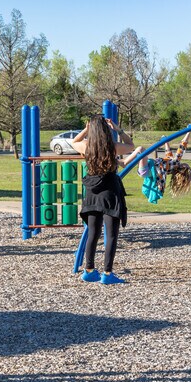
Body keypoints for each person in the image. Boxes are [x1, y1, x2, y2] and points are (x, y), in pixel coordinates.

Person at [72, 115, 135, 284]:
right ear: (107, 130)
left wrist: (86, 129)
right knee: (111, 234)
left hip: (92, 192)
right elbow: (131, 146)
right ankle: (107, 274)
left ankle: (89, 270)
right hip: (110, 193)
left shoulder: (86, 147)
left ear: (91, 130)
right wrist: (118, 129)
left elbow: (73, 142)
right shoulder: (112, 147)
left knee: (93, 232)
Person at [137, 132, 191, 204]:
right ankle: (122, 162)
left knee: (141, 149)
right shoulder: (171, 166)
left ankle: (125, 163)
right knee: (139, 153)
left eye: (188, 166)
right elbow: (168, 153)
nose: (187, 165)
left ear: (183, 168)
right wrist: (166, 141)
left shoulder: (176, 163)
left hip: (147, 170)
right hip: (145, 171)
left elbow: (182, 147)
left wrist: (188, 132)